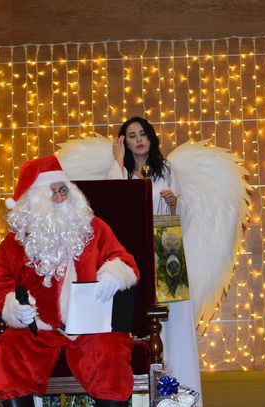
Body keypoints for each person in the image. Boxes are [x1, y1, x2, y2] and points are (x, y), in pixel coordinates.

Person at [0, 155, 139, 407]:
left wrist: (114, 273)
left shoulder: (94, 228)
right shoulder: (14, 243)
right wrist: (12, 306)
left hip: (90, 329)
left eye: (63, 190)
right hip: (38, 331)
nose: (59, 198)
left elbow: (123, 259)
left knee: (109, 354)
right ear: (34, 201)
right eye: (52, 193)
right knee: (7, 352)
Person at [108, 117, 203, 405]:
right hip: (133, 254)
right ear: (124, 142)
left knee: (174, 321)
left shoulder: (167, 171)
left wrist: (174, 203)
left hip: (166, 251)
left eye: (143, 134)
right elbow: (112, 203)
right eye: (132, 135)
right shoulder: (121, 173)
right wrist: (117, 160)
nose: (139, 139)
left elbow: (184, 213)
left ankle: (179, 392)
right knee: (137, 321)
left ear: (151, 138)